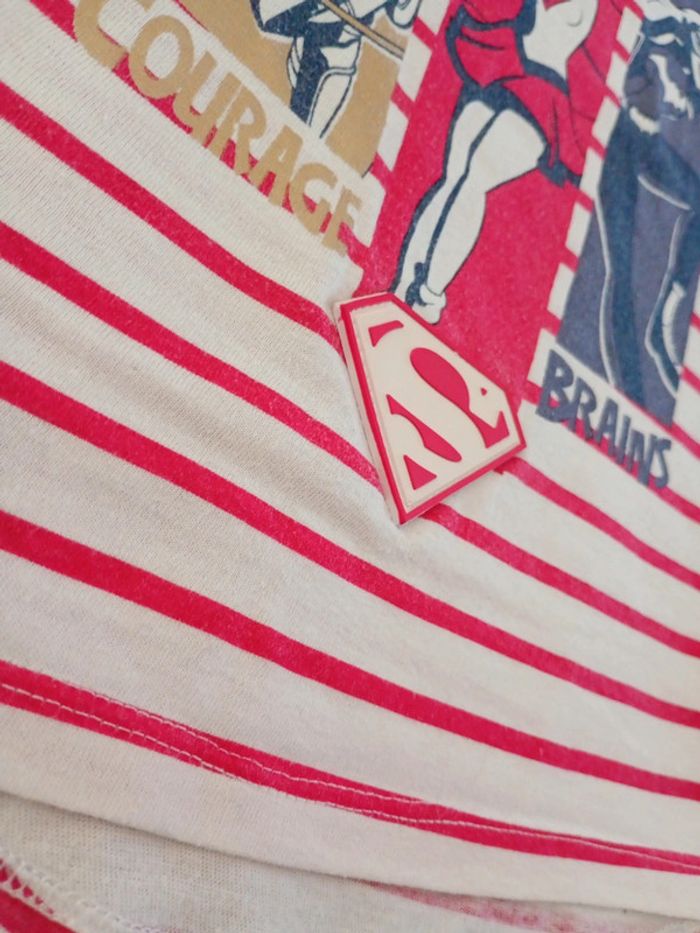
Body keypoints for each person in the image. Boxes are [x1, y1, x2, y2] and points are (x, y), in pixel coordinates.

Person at [393, 0, 599, 323]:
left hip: (540, 87)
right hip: (506, 58)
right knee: (454, 178)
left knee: (472, 179)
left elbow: (564, 28)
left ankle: (428, 297)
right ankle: (403, 287)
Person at [597, 0, 700, 403]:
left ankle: (666, 315)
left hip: (650, 142)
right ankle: (628, 392)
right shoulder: (669, 21)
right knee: (622, 273)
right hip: (619, 137)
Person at [252, 0, 421, 136]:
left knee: (301, 138)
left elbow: (401, 16)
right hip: (309, 28)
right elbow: (266, 13)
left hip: (336, 52)